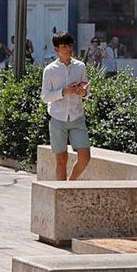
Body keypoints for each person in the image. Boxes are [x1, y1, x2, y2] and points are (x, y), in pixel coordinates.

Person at [40, 31, 91, 180]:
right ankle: (61, 191)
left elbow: (87, 90)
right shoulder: (49, 70)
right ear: (56, 49)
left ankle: (70, 183)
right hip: (57, 118)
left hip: (77, 116)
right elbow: (45, 96)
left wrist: (83, 93)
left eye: (70, 45)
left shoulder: (80, 66)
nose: (69, 49)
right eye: (64, 46)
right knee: (61, 160)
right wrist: (63, 92)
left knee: (85, 157)